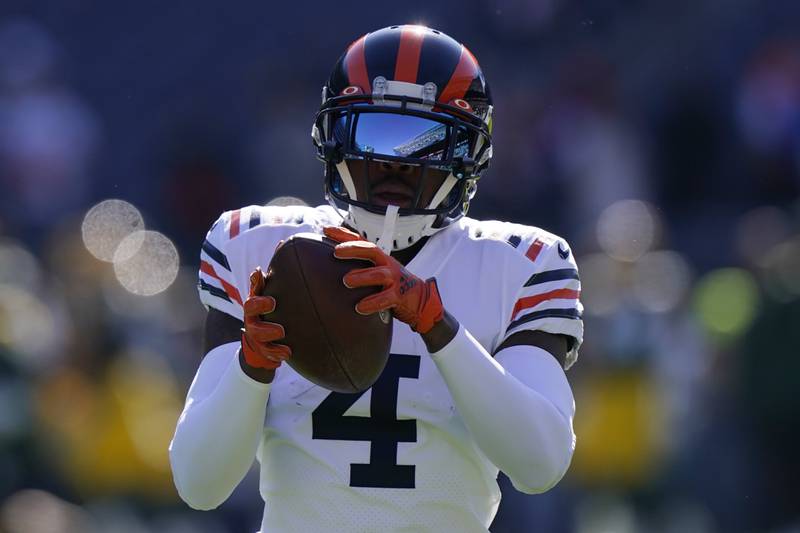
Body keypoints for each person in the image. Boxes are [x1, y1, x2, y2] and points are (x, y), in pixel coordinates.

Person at [170, 24, 583, 533]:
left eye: (427, 143)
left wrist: (436, 324)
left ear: (469, 154)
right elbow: (199, 483)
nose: (396, 163)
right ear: (334, 137)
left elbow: (539, 464)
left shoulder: (521, 262)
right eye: (375, 133)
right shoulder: (257, 247)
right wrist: (251, 364)